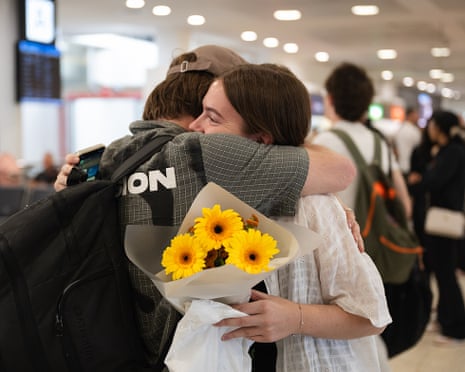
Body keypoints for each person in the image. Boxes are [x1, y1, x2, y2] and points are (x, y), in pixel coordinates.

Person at [54, 45, 357, 369]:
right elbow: (341, 170)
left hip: (107, 349)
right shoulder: (208, 152)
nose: (201, 124)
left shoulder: (112, 157)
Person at [190, 63, 391, 371]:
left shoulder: (313, 205)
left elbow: (370, 316)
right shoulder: (208, 201)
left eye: (212, 117)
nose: (194, 125)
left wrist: (296, 317)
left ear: (261, 140)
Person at [409, 110, 465, 345]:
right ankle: (445, 318)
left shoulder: (453, 152)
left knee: (445, 274)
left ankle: (457, 329)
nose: (428, 128)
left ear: (439, 127)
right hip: (437, 219)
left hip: (444, 220)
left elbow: (433, 181)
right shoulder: (444, 151)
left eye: (432, 124)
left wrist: (419, 181)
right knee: (442, 273)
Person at [393, 107, 422, 178]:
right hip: (411, 168)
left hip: (399, 167)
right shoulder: (415, 131)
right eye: (416, 115)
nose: (417, 117)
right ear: (410, 115)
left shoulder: (399, 129)